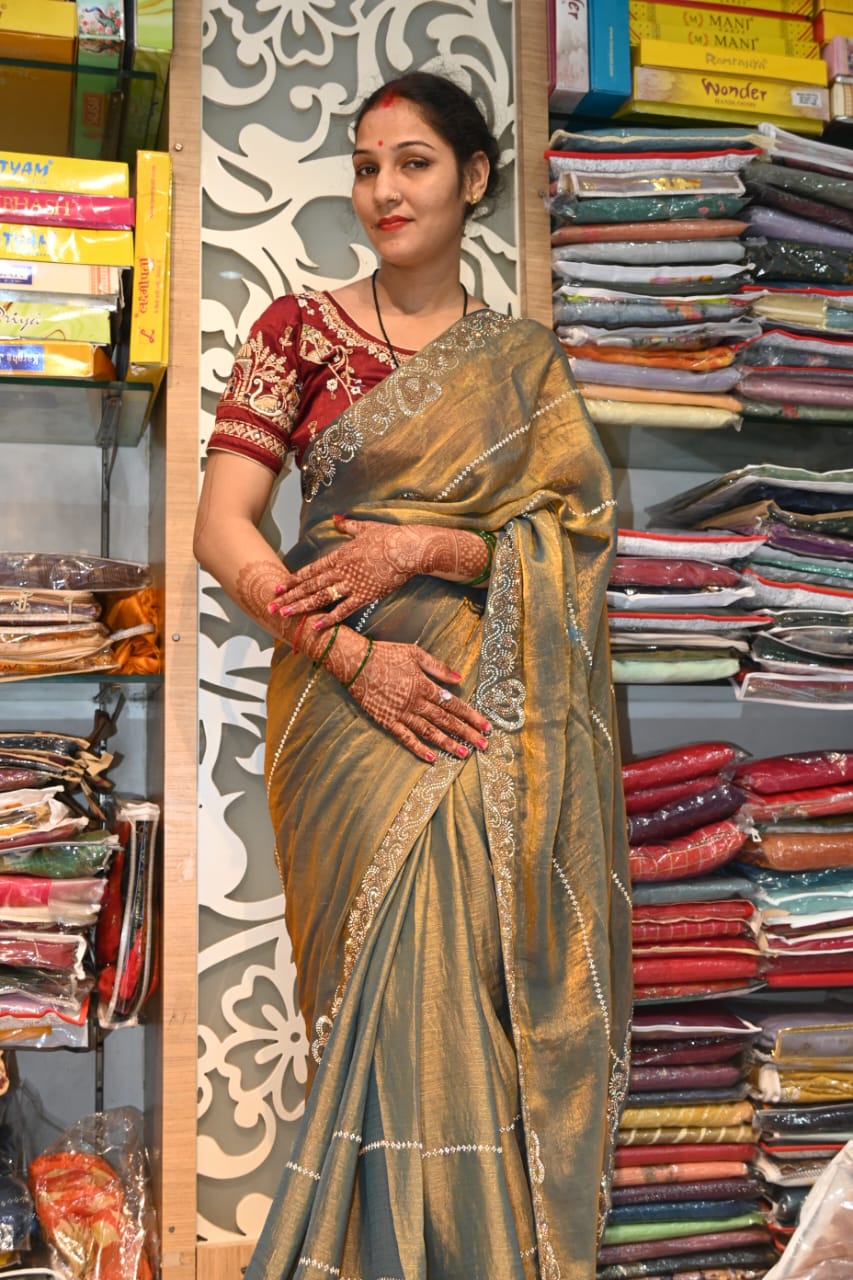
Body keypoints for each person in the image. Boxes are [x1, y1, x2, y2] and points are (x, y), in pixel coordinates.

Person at [194, 69, 631, 1280]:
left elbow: (573, 541)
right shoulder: (296, 331)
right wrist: (348, 652)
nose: (383, 189)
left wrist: (425, 548)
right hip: (340, 714)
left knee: (458, 1002)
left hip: (477, 716)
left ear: (473, 178)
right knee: (375, 1001)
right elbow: (222, 527)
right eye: (366, 165)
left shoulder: (522, 363)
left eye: (414, 163)